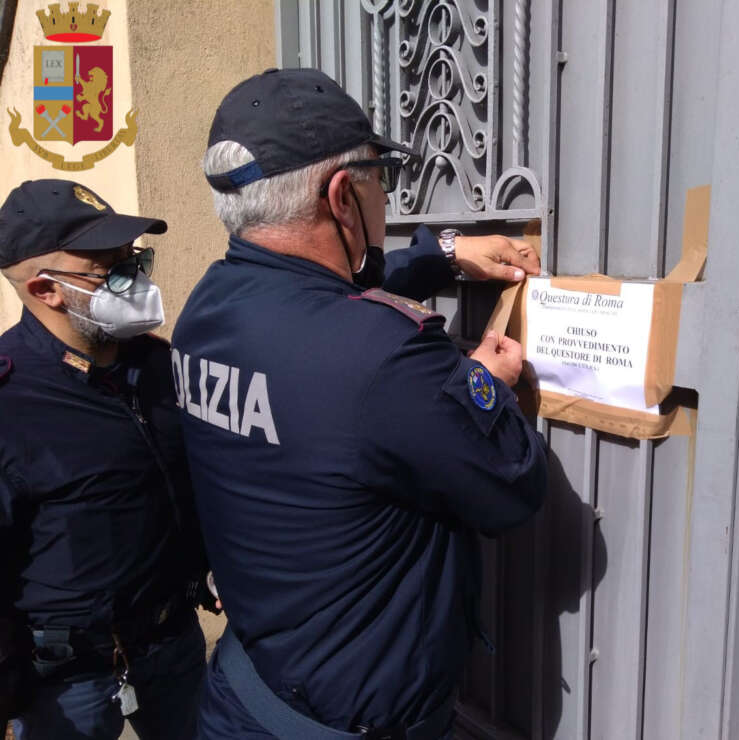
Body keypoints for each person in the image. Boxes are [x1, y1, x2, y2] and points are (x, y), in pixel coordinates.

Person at [174, 67, 549, 739]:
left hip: (247, 692)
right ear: (343, 194)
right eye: (382, 177)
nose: (386, 195)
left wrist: (446, 253)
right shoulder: (384, 358)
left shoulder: (208, 307)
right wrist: (485, 384)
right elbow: (514, 484)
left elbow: (317, 294)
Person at [0, 180, 216, 740]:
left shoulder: (157, 367)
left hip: (172, 642)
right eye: (111, 270)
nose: (135, 280)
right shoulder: (11, 400)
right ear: (46, 289)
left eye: (135, 260)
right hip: (64, 683)